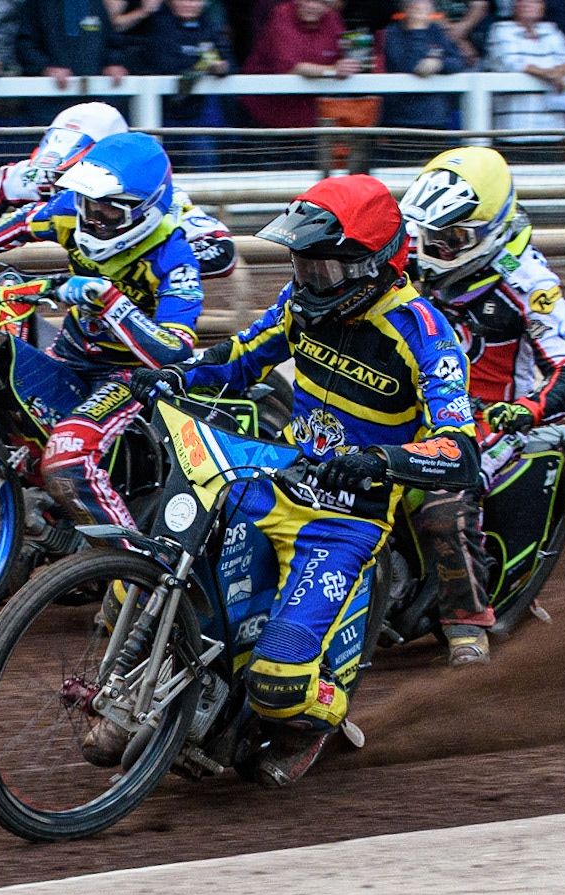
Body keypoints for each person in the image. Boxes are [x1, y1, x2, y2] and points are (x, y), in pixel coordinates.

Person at [129, 175, 481, 786]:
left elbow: (460, 451)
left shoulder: (425, 333)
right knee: (156, 553)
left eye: (323, 269)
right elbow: (238, 359)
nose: (306, 279)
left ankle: (323, 717)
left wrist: (383, 462)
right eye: (301, 263)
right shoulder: (298, 306)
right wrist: (173, 376)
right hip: (278, 476)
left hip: (347, 519)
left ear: (371, 266)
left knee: (278, 685)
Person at [0, 131, 206, 595]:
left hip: (130, 377)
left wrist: (112, 302)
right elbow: (18, 224)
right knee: (3, 382)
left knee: (67, 453)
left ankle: (142, 577)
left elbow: (174, 351)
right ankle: (47, 529)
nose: (93, 217)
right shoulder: (70, 211)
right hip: (72, 357)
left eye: (109, 208)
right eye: (89, 203)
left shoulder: (172, 256)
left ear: (145, 207)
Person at [398, 146, 565, 664]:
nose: (435, 250)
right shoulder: (410, 261)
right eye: (429, 235)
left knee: (442, 493)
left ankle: (467, 625)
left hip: (492, 416)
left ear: (492, 229)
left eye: (453, 239)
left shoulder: (529, 283)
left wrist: (527, 410)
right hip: (413, 403)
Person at [0, 102, 237, 280]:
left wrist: (157, 266)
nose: (61, 184)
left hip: (146, 309)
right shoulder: (45, 175)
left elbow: (221, 249)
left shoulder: (151, 197)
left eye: (70, 172)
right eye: (58, 175)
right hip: (82, 303)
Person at [126, 0, 234, 169]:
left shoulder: (210, 27)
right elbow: (161, 63)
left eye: (195, 0)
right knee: (159, 168)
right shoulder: (157, 26)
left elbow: (226, 61)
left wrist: (221, 67)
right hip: (161, 114)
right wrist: (198, 65)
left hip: (197, 116)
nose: (189, 4)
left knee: (205, 164)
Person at [484, 0, 565, 162]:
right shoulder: (501, 30)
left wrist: (557, 72)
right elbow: (511, 62)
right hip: (514, 129)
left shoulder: (550, 29)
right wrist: (550, 74)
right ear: (515, 6)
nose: (529, 4)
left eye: (535, 1)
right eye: (523, 1)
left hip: (552, 128)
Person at [240, 0, 361, 129]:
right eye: (307, 0)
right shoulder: (282, 15)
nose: (312, 5)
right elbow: (293, 68)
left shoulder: (332, 18)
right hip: (267, 113)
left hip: (311, 115)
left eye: (320, 2)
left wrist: (349, 65)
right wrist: (334, 69)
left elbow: (343, 57)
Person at [381, 0, 467, 137]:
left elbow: (458, 62)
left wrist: (439, 64)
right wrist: (417, 30)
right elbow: (407, 66)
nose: (422, 7)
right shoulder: (392, 33)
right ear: (406, 7)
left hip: (434, 118)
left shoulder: (436, 31)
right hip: (399, 119)